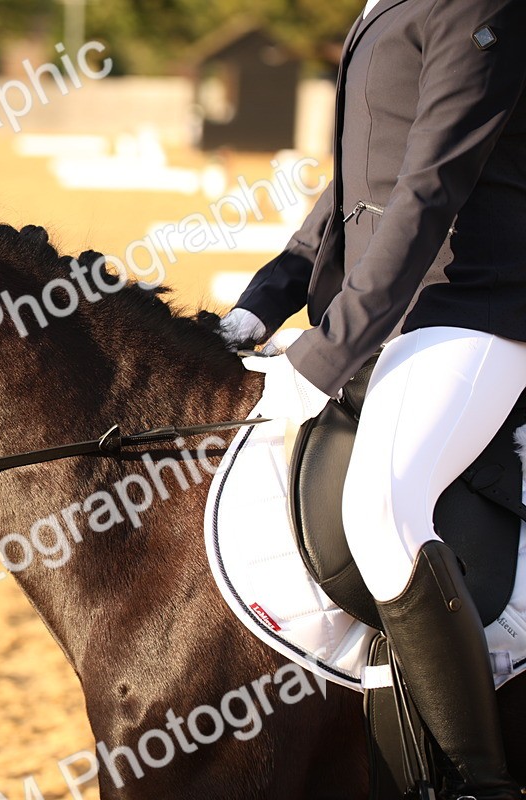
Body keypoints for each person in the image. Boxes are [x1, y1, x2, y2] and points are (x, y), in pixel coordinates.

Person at [219, 1, 526, 797]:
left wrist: (328, 352)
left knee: (382, 509)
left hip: (473, 305)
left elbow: (430, 184)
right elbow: (360, 176)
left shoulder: (476, 6)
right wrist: (266, 299)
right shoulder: (386, 5)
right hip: (397, 308)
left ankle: (479, 781)